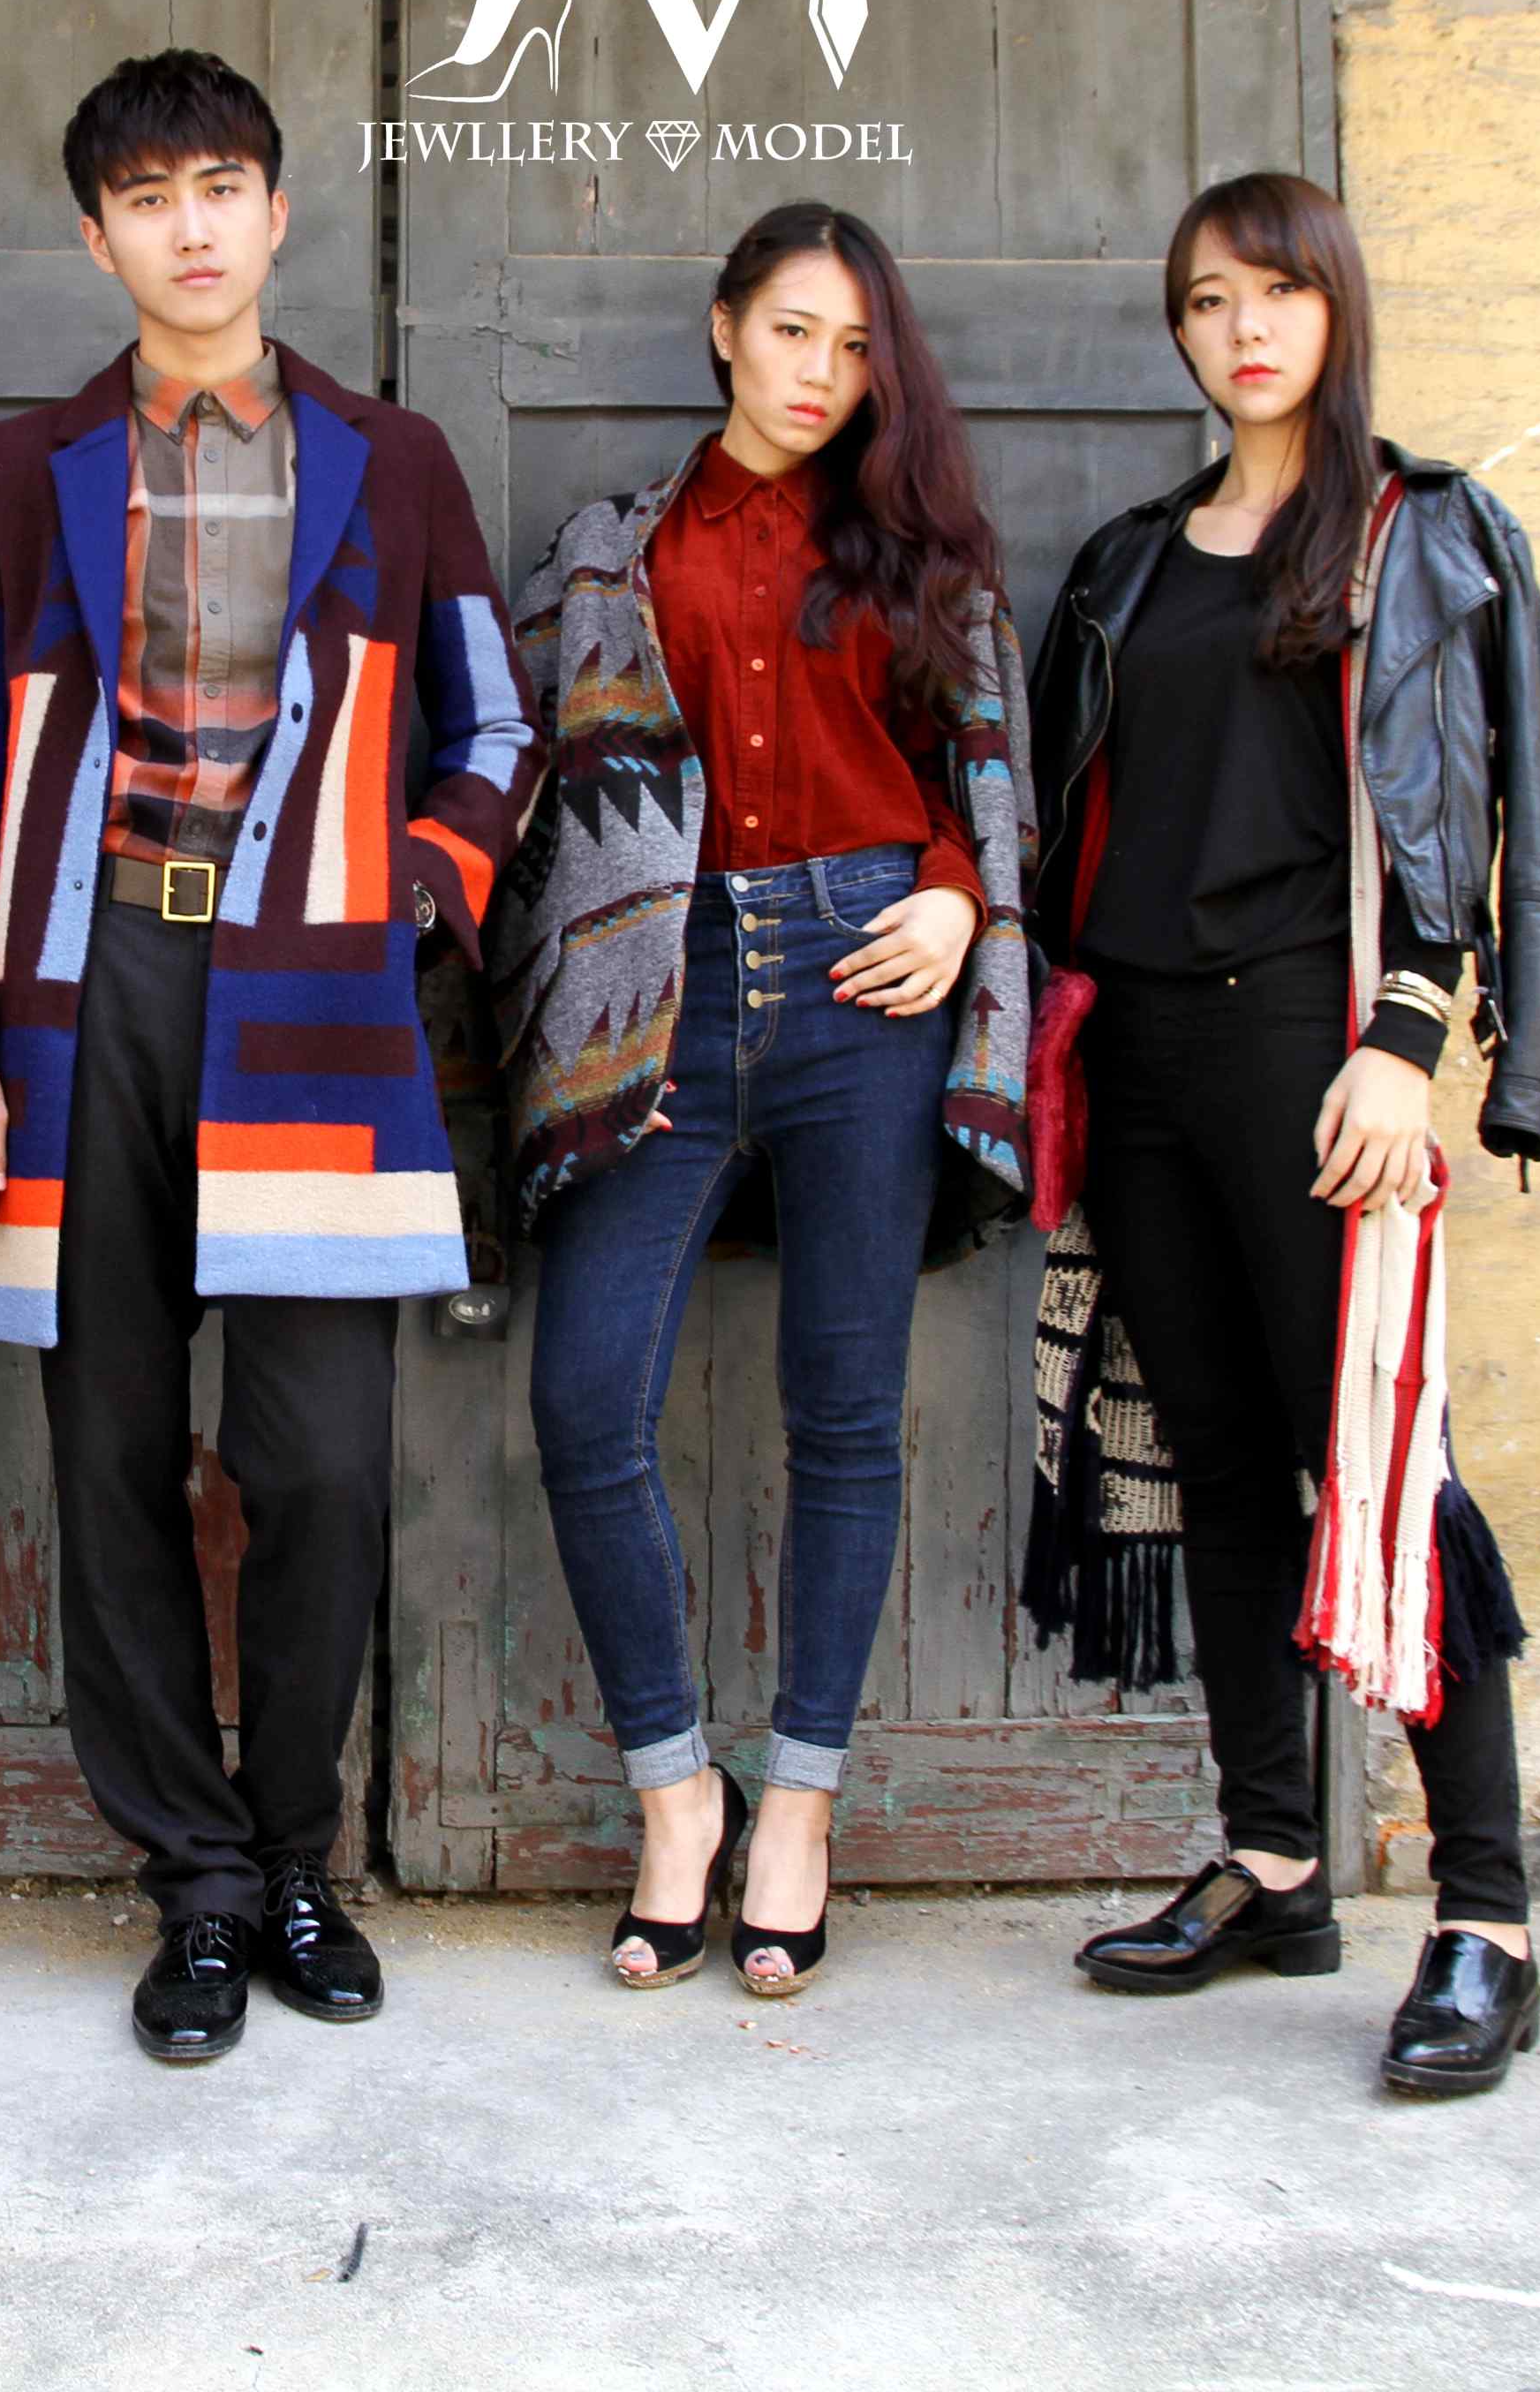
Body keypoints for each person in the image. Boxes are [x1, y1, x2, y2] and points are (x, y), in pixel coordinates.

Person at [0, 49, 541, 2064]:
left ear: (277, 213)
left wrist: (408, 887)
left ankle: (292, 1857)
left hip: (314, 993)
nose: (190, 228)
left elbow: (497, 727)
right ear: (97, 238)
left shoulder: (392, 458)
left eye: (220, 189)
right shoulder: (21, 472)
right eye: (147, 198)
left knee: (322, 1464)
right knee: (107, 1453)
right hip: (78, 987)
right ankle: (191, 1884)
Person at [1022, 169, 1540, 2097]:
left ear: (1336, 306)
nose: (1243, 328)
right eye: (1207, 299)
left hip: (1315, 1053)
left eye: (1277, 290)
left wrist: (1411, 1040)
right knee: (1226, 1475)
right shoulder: (1128, 563)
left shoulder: (1426, 537)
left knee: (1386, 1466)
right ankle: (1273, 1864)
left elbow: (1489, 801)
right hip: (1144, 1058)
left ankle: (1489, 1921)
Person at [487, 202, 1033, 2001]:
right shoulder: (609, 552)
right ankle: (678, 1795)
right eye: (794, 331)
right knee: (587, 1400)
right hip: (670, 986)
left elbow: (978, 769)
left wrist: (954, 896)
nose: (821, 373)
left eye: (857, 348)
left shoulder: (920, 548)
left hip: (873, 979)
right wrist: (591, 998)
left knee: (846, 1415)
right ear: (725, 328)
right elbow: (549, 799)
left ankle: (798, 1804)